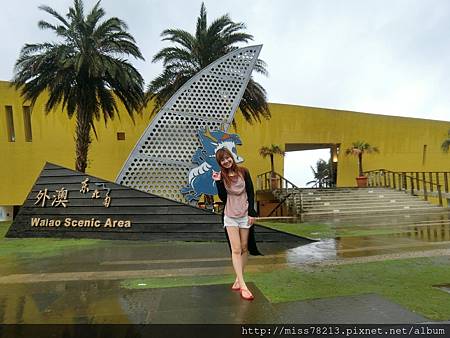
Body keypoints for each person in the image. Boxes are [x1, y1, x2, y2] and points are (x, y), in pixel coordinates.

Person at [212, 147, 262, 301]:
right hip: (230, 216)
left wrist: (252, 213)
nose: (226, 161)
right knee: (236, 249)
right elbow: (222, 197)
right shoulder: (222, 176)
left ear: (231, 157)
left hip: (244, 215)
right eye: (222, 160)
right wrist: (218, 182)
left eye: (227, 158)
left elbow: (251, 192)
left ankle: (238, 279)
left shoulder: (244, 172)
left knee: (245, 247)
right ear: (220, 163)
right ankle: (243, 285)